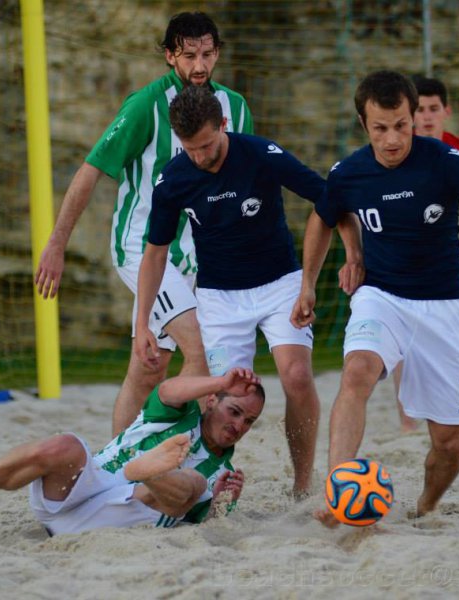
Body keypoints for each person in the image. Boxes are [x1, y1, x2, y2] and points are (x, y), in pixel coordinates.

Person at [291, 70, 459, 523]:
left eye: (401, 124)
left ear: (413, 117)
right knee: (356, 372)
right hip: (382, 296)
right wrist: (308, 285)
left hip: (443, 305)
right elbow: (322, 218)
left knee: (450, 442)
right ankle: (339, 493)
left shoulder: (447, 161)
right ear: (364, 125)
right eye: (380, 128)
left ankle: (425, 507)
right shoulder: (349, 171)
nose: (393, 138)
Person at [134, 85, 363, 497]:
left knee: (295, 374)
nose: (201, 157)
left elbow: (329, 199)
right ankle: (210, 488)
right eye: (191, 149)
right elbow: (154, 255)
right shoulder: (173, 178)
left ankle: (301, 484)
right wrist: (141, 325)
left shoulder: (260, 154)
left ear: (223, 124)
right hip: (220, 298)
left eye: (207, 145)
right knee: (222, 398)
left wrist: (350, 256)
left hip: (280, 284)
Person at [33, 12, 254, 436]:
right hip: (143, 250)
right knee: (200, 353)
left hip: (202, 258)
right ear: (171, 55)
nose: (200, 66)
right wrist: (57, 244)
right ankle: (195, 465)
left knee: (149, 368)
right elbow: (91, 170)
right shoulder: (146, 105)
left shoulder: (236, 108)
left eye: (208, 54)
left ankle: (116, 464)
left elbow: (245, 183)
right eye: (189, 55)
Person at [0, 368, 265, 534]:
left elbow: (207, 526)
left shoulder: (227, 472)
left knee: (197, 484)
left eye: (249, 421)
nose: (239, 426)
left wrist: (220, 502)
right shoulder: (179, 412)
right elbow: (168, 388)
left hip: (124, 517)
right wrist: (221, 379)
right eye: (235, 412)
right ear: (212, 400)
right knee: (65, 445)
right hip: (80, 488)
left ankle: (151, 472)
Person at [390, 75, 459, 433]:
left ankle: (451, 407)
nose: (427, 116)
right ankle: (407, 421)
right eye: (420, 109)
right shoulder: (395, 150)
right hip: (397, 258)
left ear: (446, 111)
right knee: (400, 340)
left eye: (434, 108)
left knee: (454, 333)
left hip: (443, 263)